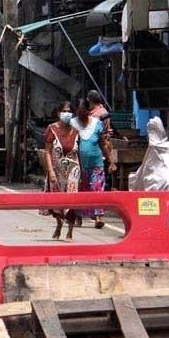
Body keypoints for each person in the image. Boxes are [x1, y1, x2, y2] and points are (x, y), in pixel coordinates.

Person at [71, 98, 115, 229]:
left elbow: (103, 144)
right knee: (81, 191)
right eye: (79, 111)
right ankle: (78, 216)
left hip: (96, 164)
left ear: (88, 111)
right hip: (79, 165)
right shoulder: (73, 124)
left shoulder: (96, 124)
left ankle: (98, 217)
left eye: (84, 111)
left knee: (97, 189)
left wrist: (111, 161)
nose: (81, 113)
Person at [42, 100, 81, 241]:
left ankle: (70, 230)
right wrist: (51, 171)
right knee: (57, 200)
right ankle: (59, 224)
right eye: (64, 111)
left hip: (73, 170)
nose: (67, 114)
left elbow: (79, 151)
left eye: (69, 111)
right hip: (56, 170)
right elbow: (47, 151)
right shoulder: (52, 129)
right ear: (59, 113)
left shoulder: (76, 131)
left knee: (72, 199)